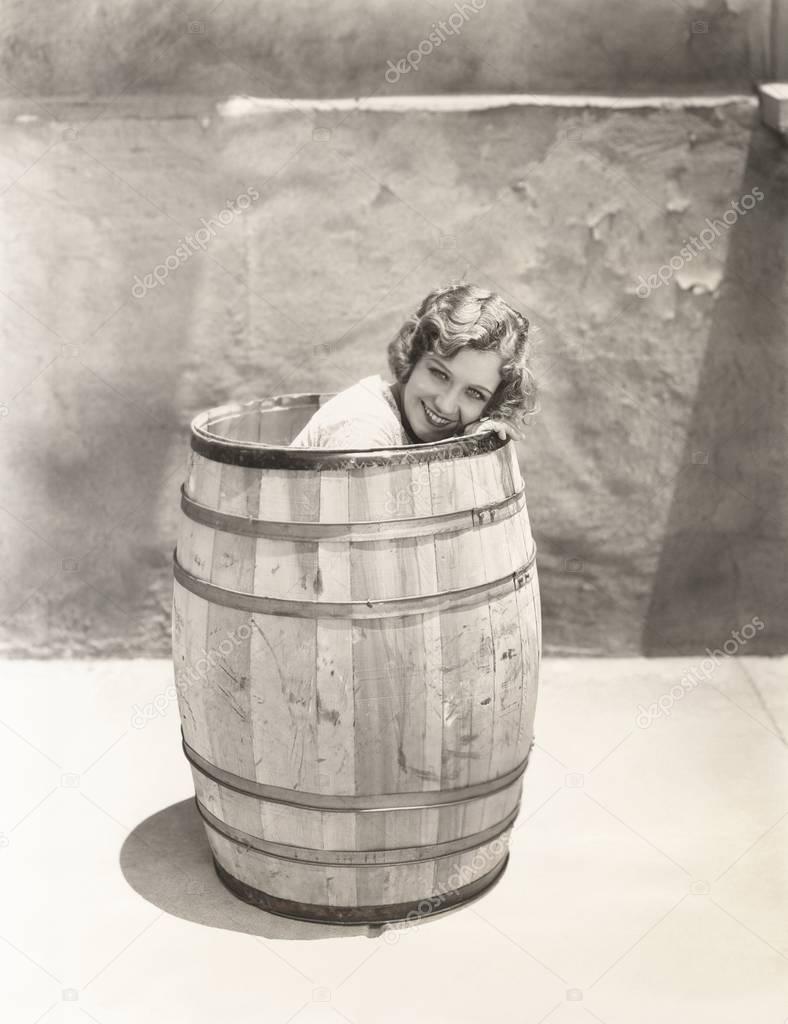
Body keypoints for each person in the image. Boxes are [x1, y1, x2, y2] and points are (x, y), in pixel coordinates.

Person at [289, 283, 538, 449]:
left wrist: (474, 444)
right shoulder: (364, 431)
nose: (445, 404)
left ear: (492, 403)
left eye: (474, 393)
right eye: (440, 374)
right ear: (414, 355)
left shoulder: (435, 434)